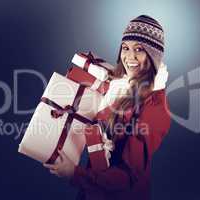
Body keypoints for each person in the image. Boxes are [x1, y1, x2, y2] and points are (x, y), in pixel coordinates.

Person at [43, 15, 171, 200]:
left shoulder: (155, 107)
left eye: (139, 49)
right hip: (93, 189)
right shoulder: (118, 85)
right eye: (125, 48)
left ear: (153, 56)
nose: (130, 57)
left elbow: (128, 176)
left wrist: (75, 174)